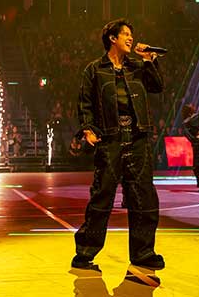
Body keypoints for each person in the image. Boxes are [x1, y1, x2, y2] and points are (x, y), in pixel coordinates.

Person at [72, 18, 165, 271]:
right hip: (110, 138)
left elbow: (157, 86)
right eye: (125, 34)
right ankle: (85, 252)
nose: (130, 38)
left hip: (138, 138)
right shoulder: (94, 69)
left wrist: (149, 60)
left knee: (143, 197)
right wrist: (88, 129)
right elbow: (85, 102)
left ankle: (143, 253)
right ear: (112, 38)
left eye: (131, 34)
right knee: (102, 197)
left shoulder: (138, 66)